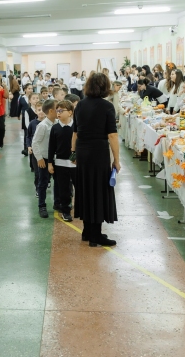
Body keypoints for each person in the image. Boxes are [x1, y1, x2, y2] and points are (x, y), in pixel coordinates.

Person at [72, 73, 119, 247]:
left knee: (85, 189)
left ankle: (87, 231)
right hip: (99, 152)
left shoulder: (80, 105)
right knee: (98, 190)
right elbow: (112, 135)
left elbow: (75, 132)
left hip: (82, 151)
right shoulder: (107, 106)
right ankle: (96, 235)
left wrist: (73, 153)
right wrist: (116, 160)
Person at [48, 100, 76, 222]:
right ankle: (66, 211)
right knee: (63, 190)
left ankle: (82, 208)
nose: (58, 113)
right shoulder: (55, 128)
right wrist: (50, 163)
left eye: (61, 111)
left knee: (79, 187)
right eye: (57, 111)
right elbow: (51, 147)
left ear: (70, 112)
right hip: (60, 163)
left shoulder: (76, 127)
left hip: (75, 164)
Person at [32, 99, 57, 218]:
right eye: (57, 108)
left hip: (56, 158)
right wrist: (39, 158)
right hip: (44, 159)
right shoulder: (43, 126)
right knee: (43, 183)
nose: (60, 110)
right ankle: (41, 205)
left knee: (58, 182)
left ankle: (58, 203)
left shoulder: (58, 123)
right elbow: (35, 142)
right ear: (51, 111)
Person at [27, 102, 45, 178]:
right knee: (37, 172)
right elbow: (28, 136)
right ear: (35, 111)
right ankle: (37, 183)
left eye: (43, 110)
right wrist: (29, 146)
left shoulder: (48, 123)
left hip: (45, 151)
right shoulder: (32, 123)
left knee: (45, 171)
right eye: (39, 110)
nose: (41, 112)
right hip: (35, 151)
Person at [20, 90, 37, 156]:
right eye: (33, 98)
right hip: (31, 131)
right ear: (29, 101)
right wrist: (31, 129)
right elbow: (27, 123)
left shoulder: (41, 110)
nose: (36, 100)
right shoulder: (27, 111)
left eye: (37, 98)